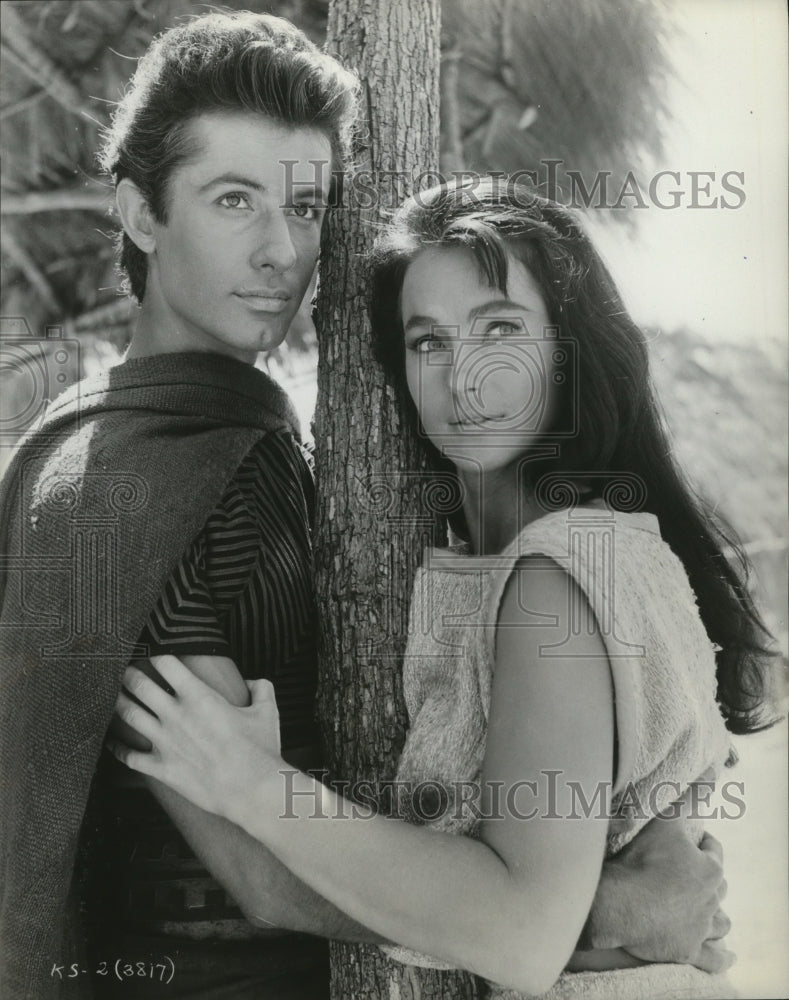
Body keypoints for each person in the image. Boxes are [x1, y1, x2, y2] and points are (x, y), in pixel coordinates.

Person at [0, 13, 732, 995]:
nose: (280, 250)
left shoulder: (265, 444)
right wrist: (600, 908)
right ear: (140, 214)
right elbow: (259, 874)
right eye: (233, 200)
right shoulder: (116, 494)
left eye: (305, 207)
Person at [109, 177, 775, 999]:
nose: (465, 378)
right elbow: (304, 890)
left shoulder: (559, 573)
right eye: (429, 341)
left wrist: (254, 786)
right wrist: (610, 909)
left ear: (568, 346)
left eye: (501, 328)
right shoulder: (523, 563)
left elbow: (520, 933)